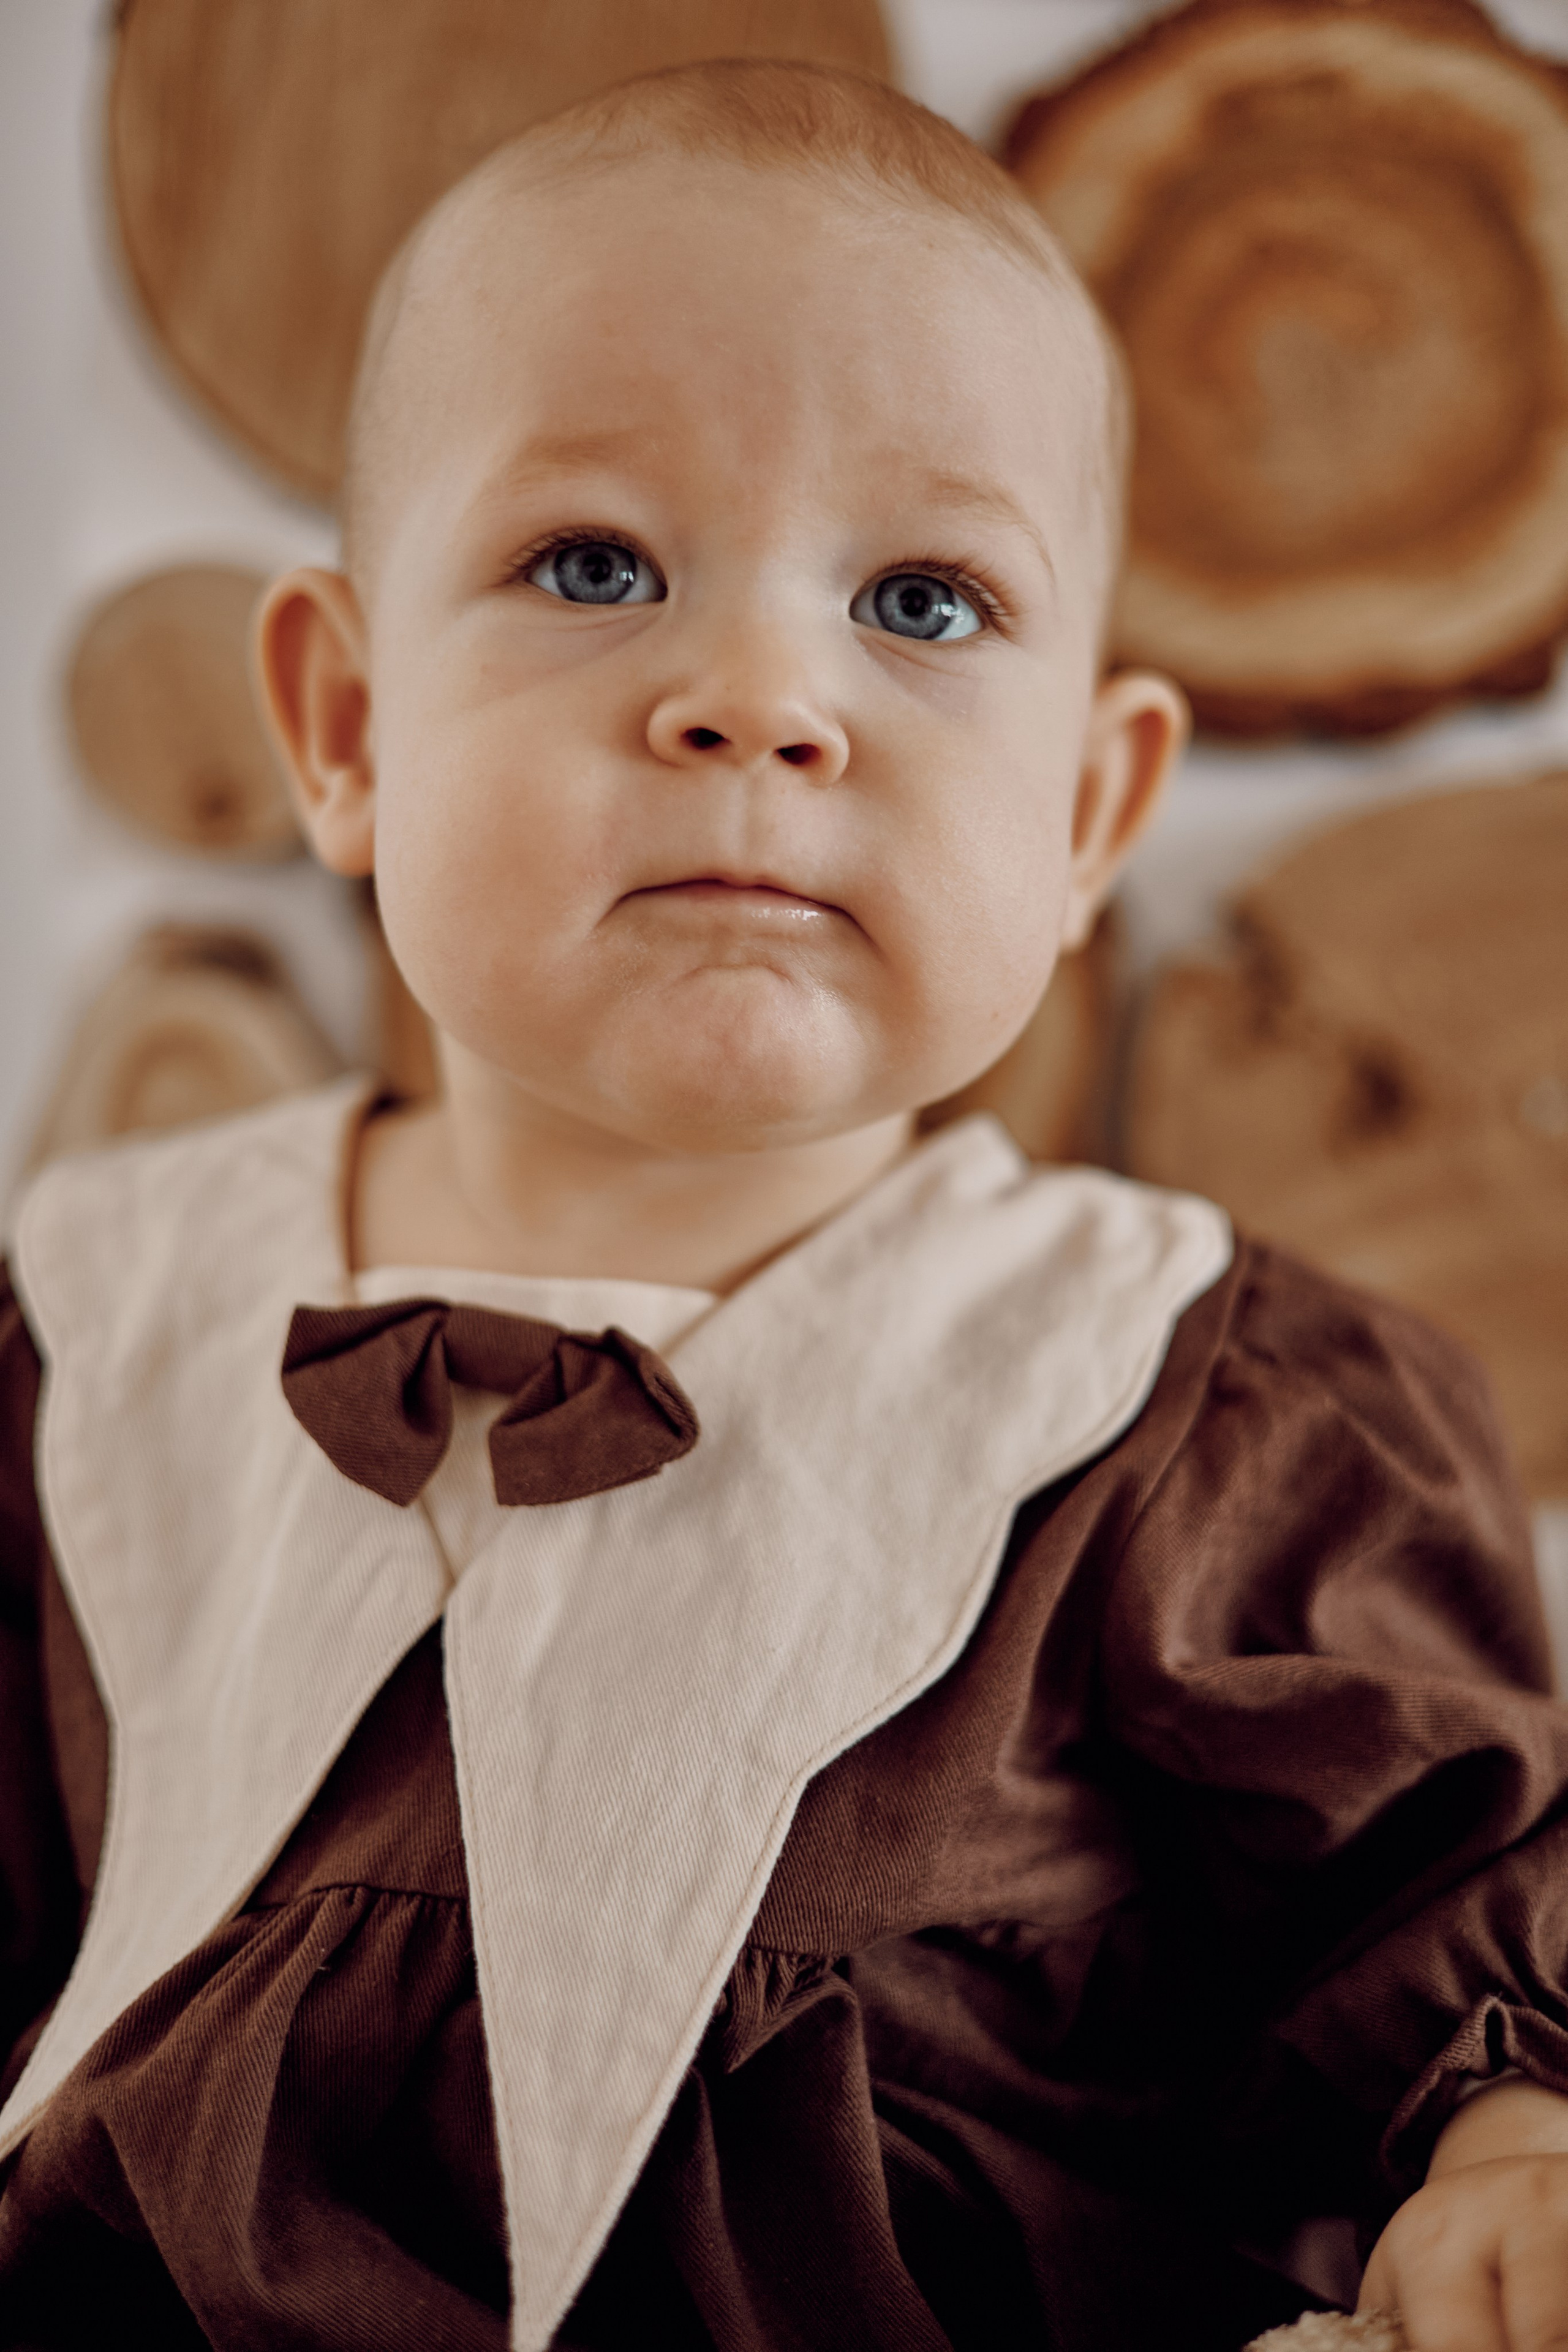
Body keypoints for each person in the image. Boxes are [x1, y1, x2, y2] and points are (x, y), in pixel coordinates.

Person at [2, 57, 1567, 2352]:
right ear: (341, 723)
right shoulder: (92, 1323)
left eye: (923, 601)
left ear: (1088, 816)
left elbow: (1456, 1886)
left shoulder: (1190, 1406)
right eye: (595, 565)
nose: (759, 697)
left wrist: (1513, 2148)